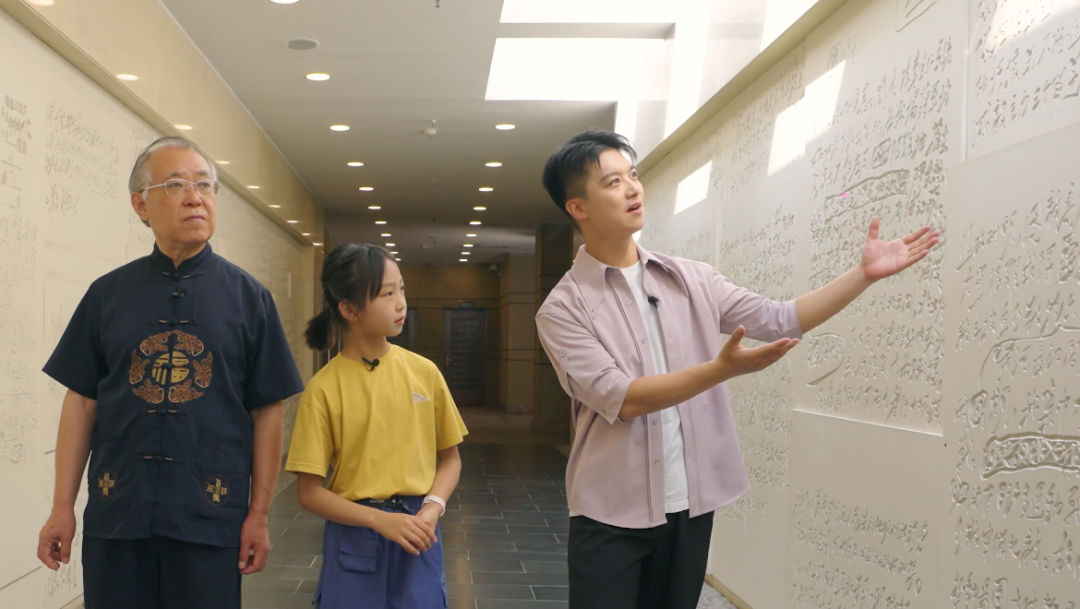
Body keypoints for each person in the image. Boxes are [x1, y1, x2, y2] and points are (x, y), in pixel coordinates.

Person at [535, 130, 940, 609]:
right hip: (609, 512)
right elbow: (622, 398)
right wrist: (719, 370)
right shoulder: (562, 308)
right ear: (578, 207)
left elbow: (779, 318)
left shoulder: (691, 278)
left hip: (689, 505)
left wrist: (863, 275)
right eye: (613, 182)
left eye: (634, 176)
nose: (633, 189)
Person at [36, 136, 305, 609]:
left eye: (205, 185)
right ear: (141, 204)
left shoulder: (250, 300)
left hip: (209, 515)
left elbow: (267, 412)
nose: (195, 197)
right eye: (176, 185)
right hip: (118, 513)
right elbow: (81, 401)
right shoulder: (107, 295)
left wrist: (259, 513)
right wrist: (62, 507)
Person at [286, 244, 468, 609]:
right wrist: (378, 520)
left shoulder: (424, 372)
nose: (401, 303)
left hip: (418, 531)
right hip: (354, 533)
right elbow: (308, 491)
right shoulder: (323, 389)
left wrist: (432, 508)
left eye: (401, 289)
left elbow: (450, 459)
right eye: (387, 294)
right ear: (349, 309)